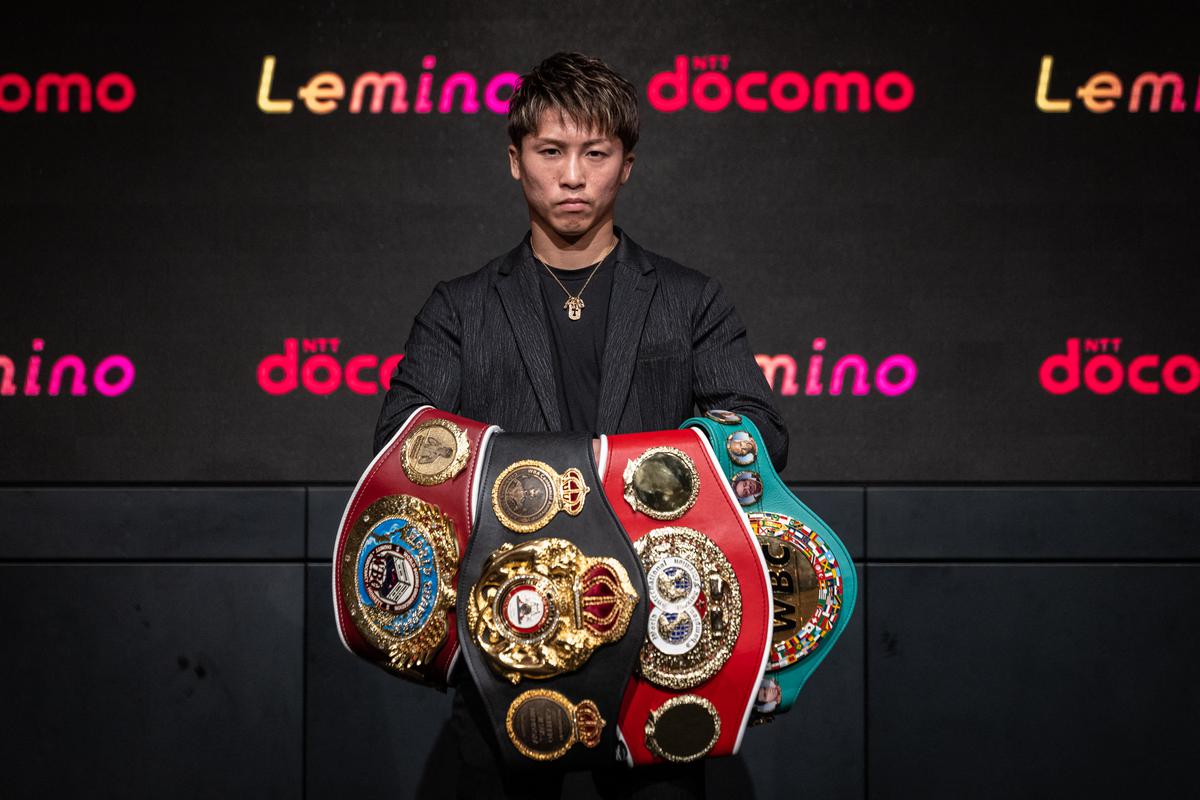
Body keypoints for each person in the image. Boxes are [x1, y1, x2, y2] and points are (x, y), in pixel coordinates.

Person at [374, 51, 789, 800]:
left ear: (626, 165)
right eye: (551, 152)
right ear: (515, 160)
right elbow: (403, 441)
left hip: (660, 637)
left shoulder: (689, 301)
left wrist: (649, 475)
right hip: (504, 631)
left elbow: (756, 429)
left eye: (596, 154)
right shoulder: (461, 309)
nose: (573, 177)